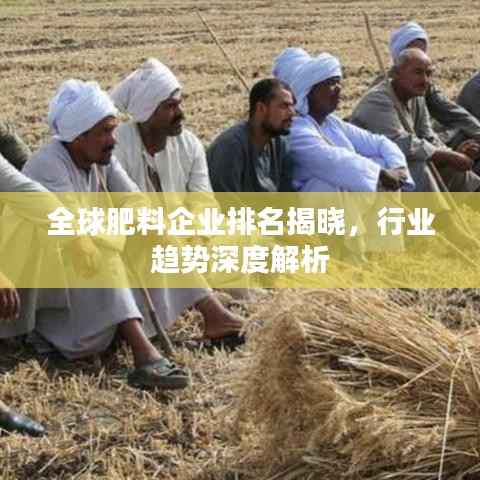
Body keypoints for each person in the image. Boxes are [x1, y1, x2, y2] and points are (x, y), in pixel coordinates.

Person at [20, 78, 190, 390]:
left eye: (113, 130)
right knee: (103, 249)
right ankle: (144, 355)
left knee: (154, 236)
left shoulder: (100, 158)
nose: (113, 140)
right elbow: (74, 228)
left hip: (86, 268)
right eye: (105, 132)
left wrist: (151, 226)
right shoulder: (47, 165)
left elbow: (134, 199)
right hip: (51, 288)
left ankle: (210, 313)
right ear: (78, 136)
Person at [109, 58, 245, 347]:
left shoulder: (190, 144)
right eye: (170, 106)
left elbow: (204, 201)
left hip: (190, 238)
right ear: (147, 112)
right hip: (141, 245)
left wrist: (195, 231)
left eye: (179, 104)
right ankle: (212, 309)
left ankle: (231, 305)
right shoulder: (117, 147)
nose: (180, 113)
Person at [351, 48, 480, 248]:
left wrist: (452, 154)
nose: (425, 79)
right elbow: (399, 142)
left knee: (452, 165)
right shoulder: (378, 100)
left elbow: (428, 136)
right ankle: (451, 234)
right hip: (376, 175)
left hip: (402, 168)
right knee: (419, 165)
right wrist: (446, 155)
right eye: (418, 72)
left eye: (429, 73)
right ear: (397, 73)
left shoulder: (417, 97)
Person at [386, 21, 480, 150]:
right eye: (413, 53)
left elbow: (453, 113)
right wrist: (451, 156)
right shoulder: (383, 94)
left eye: (422, 53)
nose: (420, 58)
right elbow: (401, 143)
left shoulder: (425, 85)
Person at [206, 78, 296, 193]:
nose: (292, 112)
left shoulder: (280, 144)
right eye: (284, 106)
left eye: (292, 106)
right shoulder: (231, 147)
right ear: (261, 108)